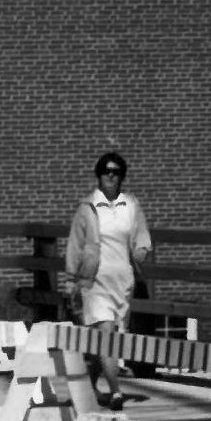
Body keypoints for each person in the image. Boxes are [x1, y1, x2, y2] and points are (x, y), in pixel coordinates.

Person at [65, 150, 153, 406]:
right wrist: (71, 278)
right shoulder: (88, 207)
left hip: (123, 281)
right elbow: (75, 244)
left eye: (116, 172)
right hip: (94, 281)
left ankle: (87, 388)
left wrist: (141, 250)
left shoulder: (131, 205)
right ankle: (115, 390)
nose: (111, 176)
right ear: (99, 175)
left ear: (122, 176)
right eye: (106, 171)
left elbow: (142, 237)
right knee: (106, 334)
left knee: (104, 340)